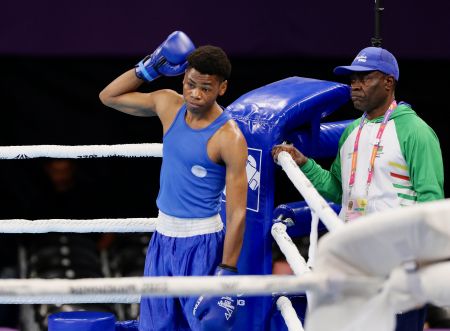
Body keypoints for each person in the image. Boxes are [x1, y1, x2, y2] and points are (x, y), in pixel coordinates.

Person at [272, 46, 444, 331]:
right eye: (353, 80)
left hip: (397, 264)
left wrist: (419, 266)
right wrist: (304, 164)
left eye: (365, 78)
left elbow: (431, 201)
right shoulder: (351, 133)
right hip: (354, 262)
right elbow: (338, 191)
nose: (355, 85)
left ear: (388, 82)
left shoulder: (416, 131)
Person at [99, 31, 248, 331]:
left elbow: (237, 212)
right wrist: (148, 68)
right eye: (190, 84)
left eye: (205, 88)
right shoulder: (169, 105)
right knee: (155, 327)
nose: (195, 94)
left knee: (204, 327)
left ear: (222, 88)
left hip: (202, 244)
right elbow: (108, 97)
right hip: (162, 238)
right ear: (182, 78)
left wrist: (227, 269)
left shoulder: (229, 138)